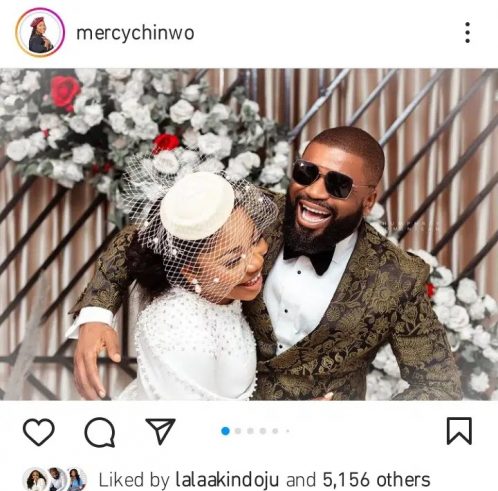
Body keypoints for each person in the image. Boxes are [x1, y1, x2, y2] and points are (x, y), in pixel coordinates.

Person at [68, 127, 462, 401]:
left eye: (338, 184)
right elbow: (147, 234)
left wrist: (349, 425)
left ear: (370, 200)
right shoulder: (253, 212)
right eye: (306, 173)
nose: (314, 191)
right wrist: (96, 314)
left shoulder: (398, 277)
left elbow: (439, 386)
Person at [116, 165, 276, 399]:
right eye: (232, 261)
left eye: (255, 240)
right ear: (190, 272)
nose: (255, 263)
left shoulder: (221, 299)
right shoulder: (178, 326)